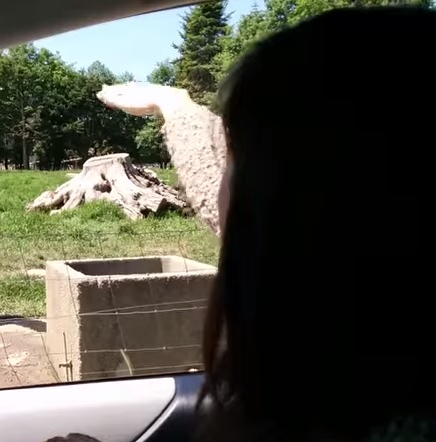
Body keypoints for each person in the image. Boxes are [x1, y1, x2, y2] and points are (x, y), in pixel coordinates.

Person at [99, 5, 436, 442]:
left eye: (236, 157)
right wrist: (175, 106)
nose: (221, 184)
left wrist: (174, 105)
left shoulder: (311, 415)